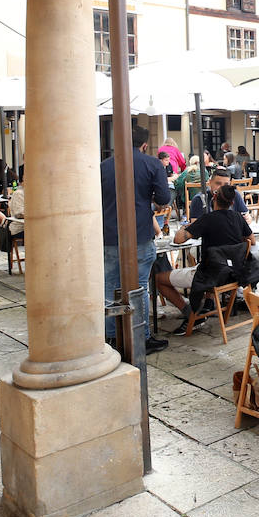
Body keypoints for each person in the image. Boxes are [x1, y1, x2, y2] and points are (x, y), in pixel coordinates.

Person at [100, 124, 171, 353]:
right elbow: (164, 198)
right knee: (139, 288)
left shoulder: (103, 166)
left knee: (110, 286)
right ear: (144, 145)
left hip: (109, 235)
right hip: (139, 233)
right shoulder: (152, 164)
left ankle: (111, 337)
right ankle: (141, 338)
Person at [155, 183, 252, 331]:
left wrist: (184, 227)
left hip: (209, 276)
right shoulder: (238, 217)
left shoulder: (208, 219)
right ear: (232, 203)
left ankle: (189, 313)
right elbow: (252, 241)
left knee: (158, 279)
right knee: (209, 264)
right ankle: (204, 304)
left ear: (214, 198)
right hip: (232, 275)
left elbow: (178, 239)